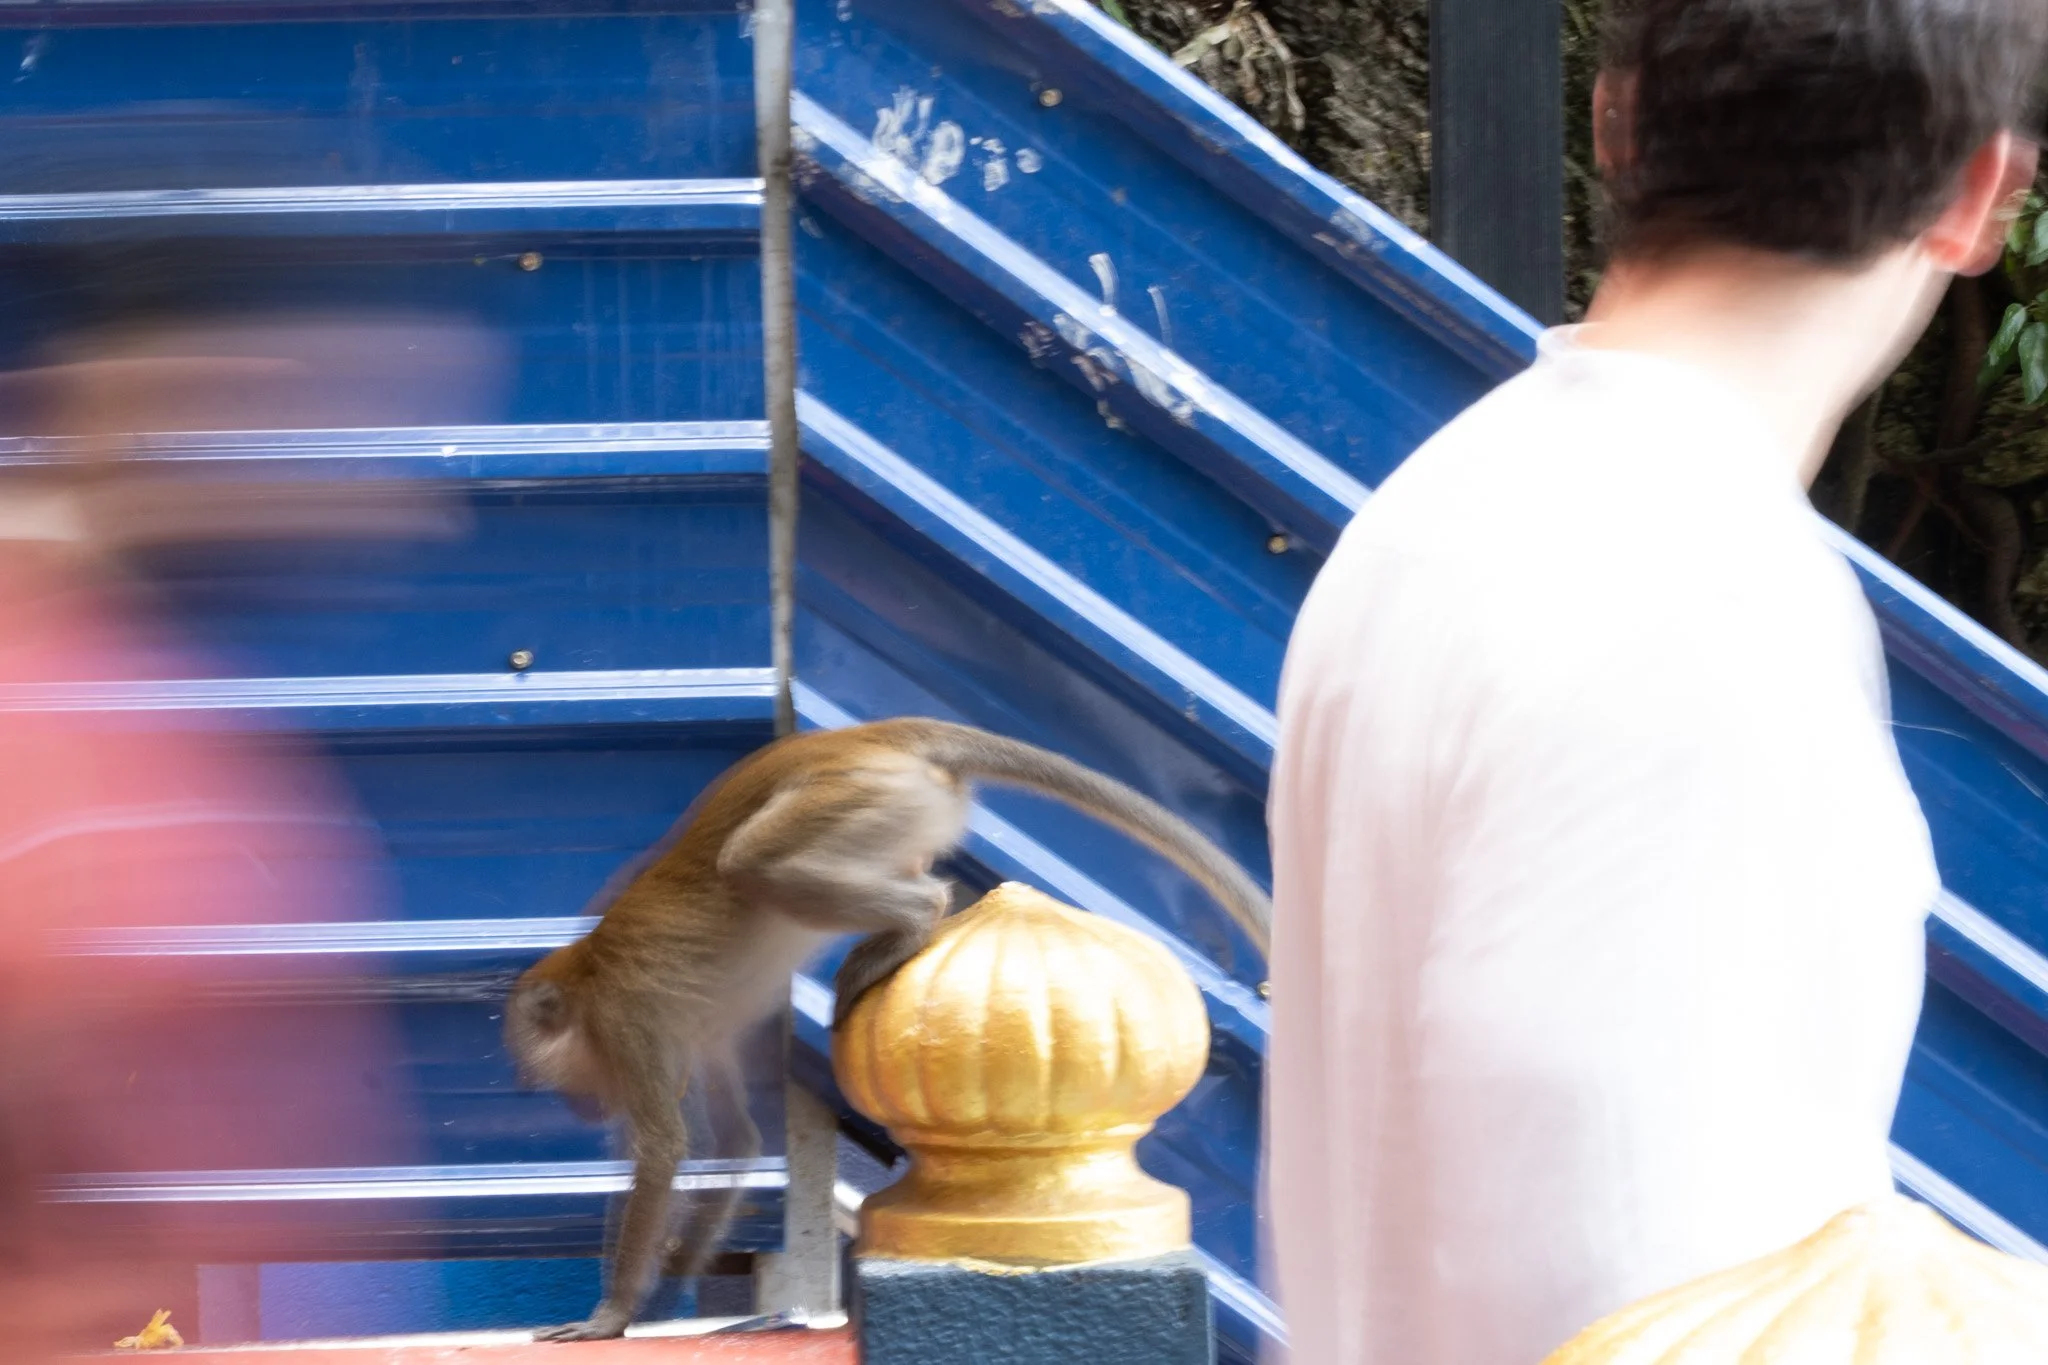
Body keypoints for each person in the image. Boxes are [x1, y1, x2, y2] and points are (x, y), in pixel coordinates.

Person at [1264, 3, 2048, 1362]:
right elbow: (1629, 1254)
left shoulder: (1455, 500)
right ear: (1985, 193)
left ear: (1614, 121)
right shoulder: (1694, 589)